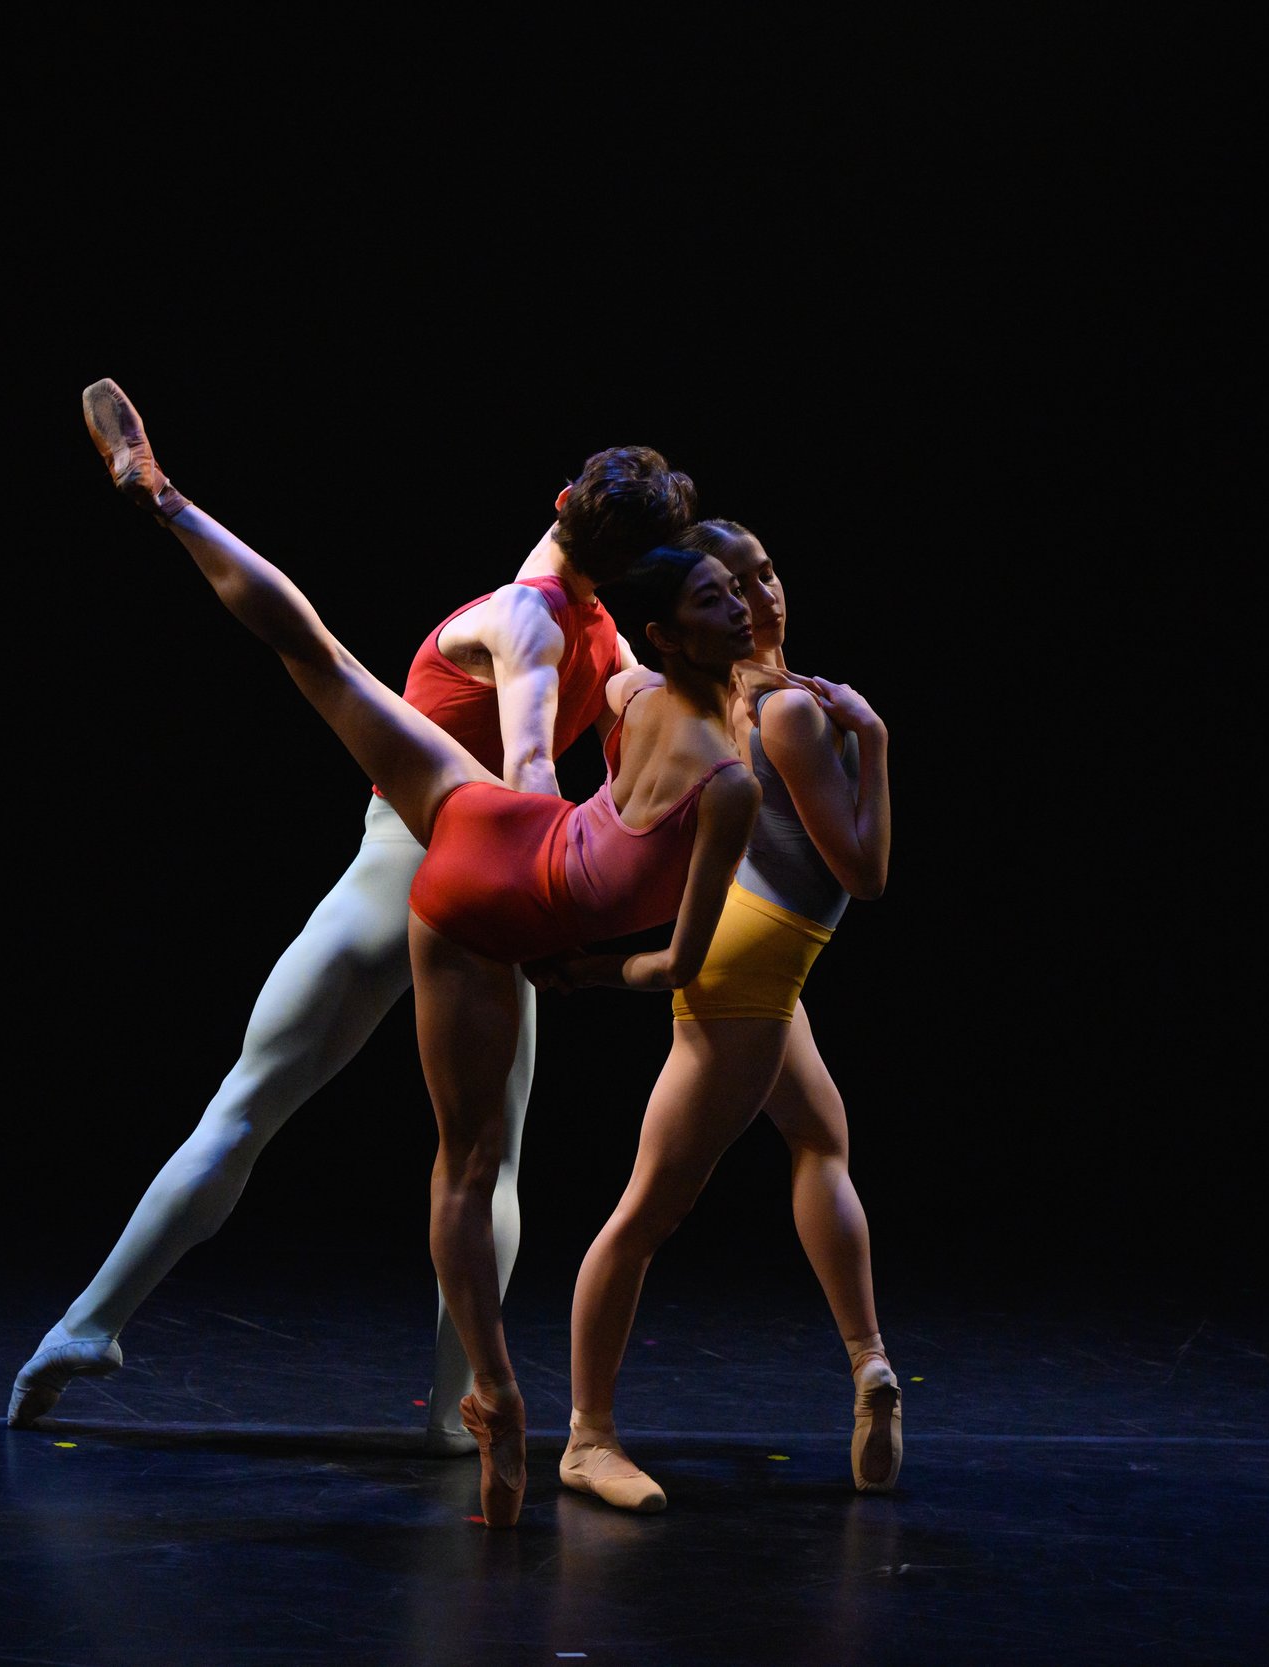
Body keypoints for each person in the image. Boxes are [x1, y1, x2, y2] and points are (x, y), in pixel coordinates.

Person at [50, 380, 762, 1528]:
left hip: (428, 854)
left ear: (561, 502)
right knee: (484, 1160)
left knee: (251, 1101)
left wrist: (542, 844)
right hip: (497, 880)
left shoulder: (538, 618)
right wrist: (570, 915)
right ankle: (455, 1400)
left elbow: (529, 762)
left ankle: (90, 1322)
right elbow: (569, 744)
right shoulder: (590, 632)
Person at [544, 519, 900, 1513]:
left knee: (820, 1137)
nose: (760, 595)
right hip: (746, 970)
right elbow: (863, 873)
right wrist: (874, 741)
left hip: (759, 964)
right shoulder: (788, 713)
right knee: (645, 1212)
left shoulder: (727, 695)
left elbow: (623, 679)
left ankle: (871, 1363)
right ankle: (586, 1435)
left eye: (767, 572)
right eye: (734, 583)